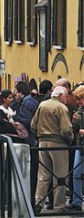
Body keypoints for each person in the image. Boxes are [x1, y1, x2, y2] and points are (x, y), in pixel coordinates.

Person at [31, 86, 74, 213]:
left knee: (43, 175)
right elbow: (66, 129)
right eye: (66, 96)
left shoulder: (42, 105)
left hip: (42, 143)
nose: (67, 98)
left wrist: (39, 136)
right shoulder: (61, 108)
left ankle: (38, 202)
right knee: (60, 175)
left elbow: (33, 125)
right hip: (58, 143)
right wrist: (70, 140)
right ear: (60, 95)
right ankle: (58, 206)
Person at [67, 84, 84, 212]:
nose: (77, 102)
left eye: (79, 99)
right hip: (80, 145)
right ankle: (77, 202)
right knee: (76, 173)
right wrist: (74, 122)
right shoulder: (79, 111)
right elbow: (75, 129)